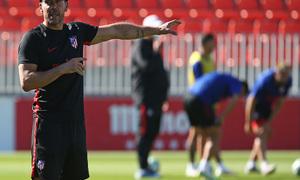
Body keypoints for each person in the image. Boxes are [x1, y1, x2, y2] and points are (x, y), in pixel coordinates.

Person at [17, 0, 181, 179]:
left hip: (76, 125)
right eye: (48, 2)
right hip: (48, 125)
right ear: (40, 6)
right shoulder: (33, 38)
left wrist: (156, 30)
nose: (53, 6)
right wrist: (63, 68)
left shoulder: (76, 32)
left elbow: (117, 31)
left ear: (66, 5)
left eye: (58, 2)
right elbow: (26, 81)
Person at [183, 72, 249, 180]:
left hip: (187, 97)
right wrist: (222, 117)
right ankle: (204, 166)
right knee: (215, 134)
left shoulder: (224, 79)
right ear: (243, 88)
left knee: (197, 132)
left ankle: (192, 166)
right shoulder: (237, 83)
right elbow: (235, 99)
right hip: (200, 100)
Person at [185, 34, 232, 177]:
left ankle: (210, 164)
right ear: (204, 43)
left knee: (206, 134)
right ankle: (193, 164)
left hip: (208, 102)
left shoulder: (209, 59)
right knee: (199, 133)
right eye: (211, 44)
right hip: (199, 101)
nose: (214, 47)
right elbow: (200, 82)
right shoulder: (197, 58)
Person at [130, 14, 170, 179]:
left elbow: (161, 74)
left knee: (153, 131)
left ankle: (146, 162)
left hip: (157, 99)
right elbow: (147, 66)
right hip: (146, 97)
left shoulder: (153, 47)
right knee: (145, 132)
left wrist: (164, 96)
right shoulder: (140, 45)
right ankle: (143, 167)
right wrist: (155, 50)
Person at [244, 62, 292, 175]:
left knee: (268, 133)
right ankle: (264, 164)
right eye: (283, 75)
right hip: (255, 108)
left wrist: (269, 122)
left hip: (266, 108)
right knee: (263, 132)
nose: (286, 78)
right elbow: (251, 101)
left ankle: (251, 163)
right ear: (277, 73)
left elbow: (280, 103)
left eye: (287, 75)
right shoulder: (265, 81)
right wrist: (248, 123)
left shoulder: (288, 81)